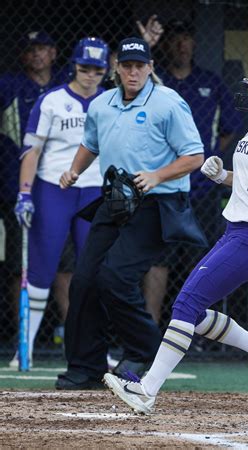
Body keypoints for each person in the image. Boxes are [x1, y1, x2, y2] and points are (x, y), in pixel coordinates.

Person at [102, 61, 248, 414]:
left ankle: (148, 389)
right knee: (193, 313)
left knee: (184, 306)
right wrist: (223, 176)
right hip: (237, 231)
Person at [55, 36, 205, 389]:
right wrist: (74, 170)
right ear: (117, 69)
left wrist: (156, 175)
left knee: (116, 277)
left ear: (150, 68)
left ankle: (145, 352)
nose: (133, 72)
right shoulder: (102, 104)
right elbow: (90, 143)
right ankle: (86, 367)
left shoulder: (169, 103)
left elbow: (194, 156)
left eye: (140, 66)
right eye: (127, 66)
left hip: (158, 203)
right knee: (85, 281)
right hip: (116, 199)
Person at [10, 37, 109, 368]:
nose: (90, 75)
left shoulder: (112, 102)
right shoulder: (51, 100)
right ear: (74, 66)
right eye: (85, 68)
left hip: (95, 189)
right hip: (53, 187)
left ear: (106, 70)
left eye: (97, 69)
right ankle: (24, 348)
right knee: (42, 266)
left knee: (92, 271)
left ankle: (95, 351)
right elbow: (32, 150)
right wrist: (25, 192)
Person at [138, 17, 242, 325]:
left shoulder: (210, 80)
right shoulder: (160, 83)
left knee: (203, 259)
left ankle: (197, 328)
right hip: (166, 185)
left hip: (203, 188)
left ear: (195, 44)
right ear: (168, 46)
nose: (183, 46)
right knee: (160, 258)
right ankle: (152, 329)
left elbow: (227, 130)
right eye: (177, 40)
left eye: (187, 40)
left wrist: (208, 158)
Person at [0, 31, 68, 348]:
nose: (37, 55)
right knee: (21, 264)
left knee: (67, 266)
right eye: (31, 50)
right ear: (23, 56)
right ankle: (24, 338)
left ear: (53, 53)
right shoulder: (9, 85)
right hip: (18, 190)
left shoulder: (68, 85)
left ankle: (71, 336)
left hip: (62, 187)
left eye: (43, 48)